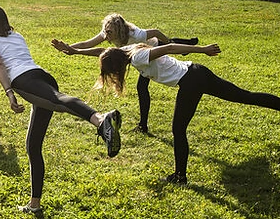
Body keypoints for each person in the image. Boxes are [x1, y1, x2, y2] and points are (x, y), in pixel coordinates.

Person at [52, 39, 280, 185]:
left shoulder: (137, 56)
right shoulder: (124, 52)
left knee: (178, 129)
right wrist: (74, 51)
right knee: (245, 96)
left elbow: (169, 48)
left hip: (191, 81)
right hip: (196, 73)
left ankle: (180, 177)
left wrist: (202, 49)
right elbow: (102, 51)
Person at [0, 5, 122, 213]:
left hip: (24, 81)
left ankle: (100, 120)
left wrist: (9, 92)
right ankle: (34, 204)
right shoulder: (16, 36)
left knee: (58, 101)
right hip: (42, 76)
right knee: (33, 145)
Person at [57, 13, 198, 134]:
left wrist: (168, 42)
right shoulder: (107, 33)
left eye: (110, 32)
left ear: (119, 30)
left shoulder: (136, 34)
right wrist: (68, 48)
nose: (106, 36)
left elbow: (155, 32)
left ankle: (143, 125)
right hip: (138, 57)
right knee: (142, 88)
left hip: (152, 51)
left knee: (141, 87)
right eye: (105, 31)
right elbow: (87, 44)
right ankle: (188, 44)